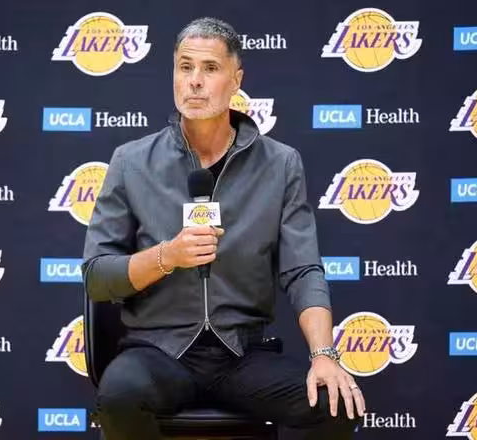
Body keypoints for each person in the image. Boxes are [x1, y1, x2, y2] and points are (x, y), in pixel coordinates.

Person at [82, 17, 365, 440]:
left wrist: (324, 354)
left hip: (242, 354)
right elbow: (97, 276)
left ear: (236, 80)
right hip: (157, 352)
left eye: (210, 68)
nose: (195, 81)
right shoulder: (131, 161)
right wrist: (167, 256)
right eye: (185, 67)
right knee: (120, 397)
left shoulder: (280, 164)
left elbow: (303, 270)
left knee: (336, 403)